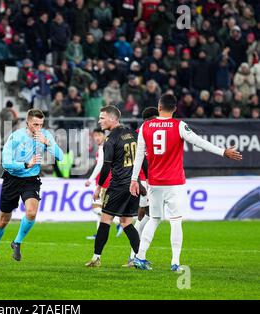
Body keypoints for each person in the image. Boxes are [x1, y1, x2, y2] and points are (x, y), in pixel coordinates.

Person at [129, 94, 243, 271]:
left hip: (155, 182)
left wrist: (134, 180)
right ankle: (175, 262)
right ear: (174, 109)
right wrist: (223, 152)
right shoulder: (179, 126)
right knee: (175, 221)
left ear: (159, 107)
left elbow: (138, 156)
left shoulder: (145, 126)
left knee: (155, 219)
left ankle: (140, 257)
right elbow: (199, 142)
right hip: (174, 182)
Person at [0, 108, 64, 266]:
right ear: (27, 123)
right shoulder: (16, 137)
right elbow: (6, 163)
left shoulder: (45, 136)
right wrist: (26, 164)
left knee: (31, 211)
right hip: (12, 179)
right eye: (35, 124)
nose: (38, 128)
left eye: (41, 124)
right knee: (3, 220)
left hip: (31, 180)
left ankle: (17, 242)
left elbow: (60, 156)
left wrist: (47, 143)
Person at [85, 105, 146, 268]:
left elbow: (106, 167)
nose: (100, 121)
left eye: (102, 118)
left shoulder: (110, 139)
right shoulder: (134, 134)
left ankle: (96, 257)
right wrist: (145, 180)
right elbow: (143, 160)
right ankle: (140, 258)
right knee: (126, 222)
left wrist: (98, 187)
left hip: (118, 185)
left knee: (105, 220)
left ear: (113, 118)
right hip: (134, 184)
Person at [124, 106, 159, 268]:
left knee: (148, 216)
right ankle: (134, 256)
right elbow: (133, 160)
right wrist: (137, 181)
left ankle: (135, 255)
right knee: (145, 215)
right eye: (155, 120)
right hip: (143, 180)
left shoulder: (150, 132)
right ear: (148, 120)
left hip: (153, 179)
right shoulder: (138, 135)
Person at [84, 128, 123, 240]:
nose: (96, 138)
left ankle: (118, 222)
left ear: (103, 135)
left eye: (98, 135)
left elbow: (100, 165)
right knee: (99, 210)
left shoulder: (103, 147)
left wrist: (90, 179)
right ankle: (99, 234)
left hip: (104, 183)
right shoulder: (107, 147)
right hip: (106, 182)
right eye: (95, 136)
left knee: (96, 208)